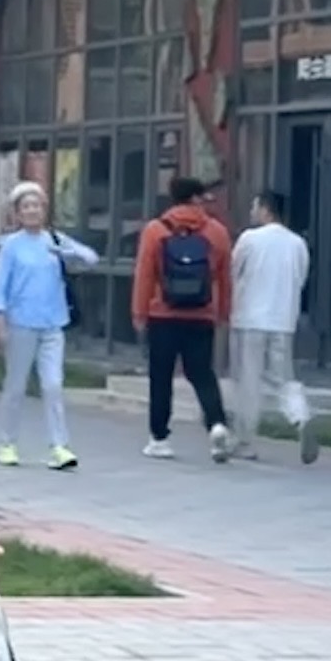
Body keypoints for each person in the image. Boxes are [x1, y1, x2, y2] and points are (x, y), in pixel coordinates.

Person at [0, 180, 99, 468]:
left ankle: (59, 446)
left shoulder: (55, 240)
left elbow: (91, 259)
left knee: (53, 385)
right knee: (16, 385)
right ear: (17, 213)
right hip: (21, 323)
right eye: (26, 206)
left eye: (36, 205)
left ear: (44, 209)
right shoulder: (10, 246)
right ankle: (7, 443)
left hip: (53, 323)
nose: (32, 211)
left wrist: (66, 253)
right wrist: (0, 321)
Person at [132, 174, 233, 462]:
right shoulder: (217, 232)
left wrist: (139, 312)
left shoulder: (155, 230)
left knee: (161, 376)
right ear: (197, 198)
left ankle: (160, 438)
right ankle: (217, 424)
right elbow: (225, 277)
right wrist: (223, 312)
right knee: (202, 373)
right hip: (201, 315)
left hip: (162, 314)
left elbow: (144, 275)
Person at [227, 186, 319, 460]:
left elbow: (233, 271)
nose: (252, 212)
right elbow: (300, 279)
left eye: (255, 207)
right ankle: (301, 416)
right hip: (282, 320)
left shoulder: (249, 239)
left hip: (249, 319)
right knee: (283, 378)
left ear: (266, 210)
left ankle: (245, 441)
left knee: (248, 382)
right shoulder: (297, 244)